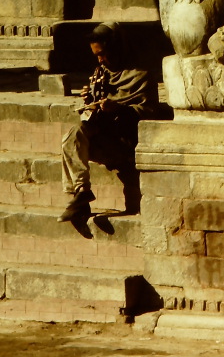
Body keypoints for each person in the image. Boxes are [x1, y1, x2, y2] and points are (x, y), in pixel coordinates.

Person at [58, 22, 156, 223]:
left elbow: (149, 112)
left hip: (125, 144)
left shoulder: (140, 76)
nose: (101, 60)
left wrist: (119, 108)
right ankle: (81, 192)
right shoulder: (101, 74)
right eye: (97, 56)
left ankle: (81, 198)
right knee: (73, 134)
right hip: (104, 137)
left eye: (103, 54)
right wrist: (90, 102)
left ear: (117, 48)